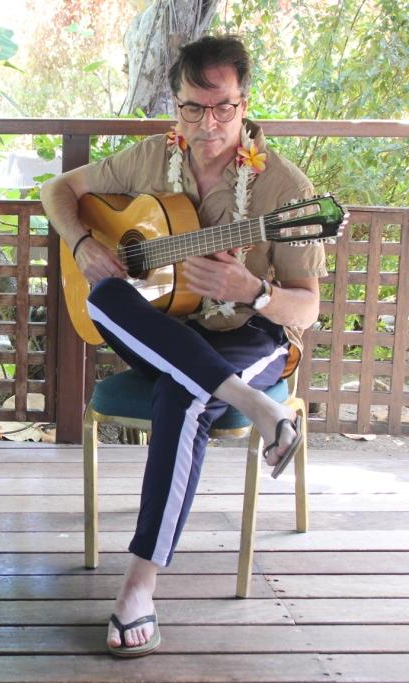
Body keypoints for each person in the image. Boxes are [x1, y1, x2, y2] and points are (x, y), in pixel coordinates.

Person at [40, 35, 325, 657]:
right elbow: (57, 190)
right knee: (103, 295)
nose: (208, 124)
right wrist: (85, 246)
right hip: (169, 327)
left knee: (183, 395)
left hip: (252, 335)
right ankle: (253, 406)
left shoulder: (285, 190)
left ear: (245, 104)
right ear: (176, 107)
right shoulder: (149, 160)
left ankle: (138, 588)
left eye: (222, 108)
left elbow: (308, 306)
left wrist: (251, 289)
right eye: (193, 108)